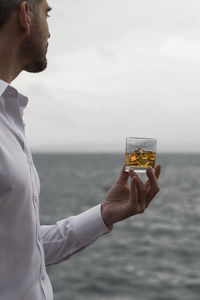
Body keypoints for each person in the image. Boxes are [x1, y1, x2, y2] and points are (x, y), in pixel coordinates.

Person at [0, 0, 161, 299]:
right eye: (47, 14)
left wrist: (105, 214)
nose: (49, 31)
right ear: (25, 14)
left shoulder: (10, 117)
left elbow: (21, 254)